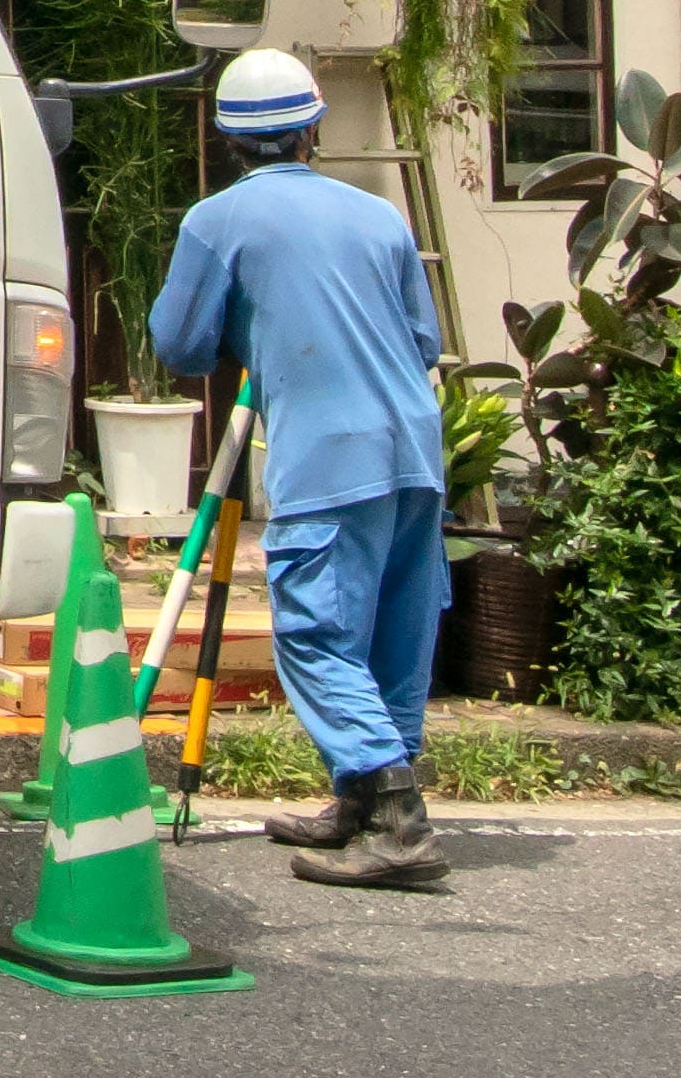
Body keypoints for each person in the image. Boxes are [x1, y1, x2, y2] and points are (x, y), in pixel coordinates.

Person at [146, 45, 456, 893]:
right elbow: (424, 340)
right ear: (314, 126)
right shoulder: (381, 216)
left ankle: (396, 821)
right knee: (393, 631)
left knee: (319, 635)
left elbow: (179, 342)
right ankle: (360, 799)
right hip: (417, 449)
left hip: (329, 453)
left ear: (226, 140)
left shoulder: (218, 221)